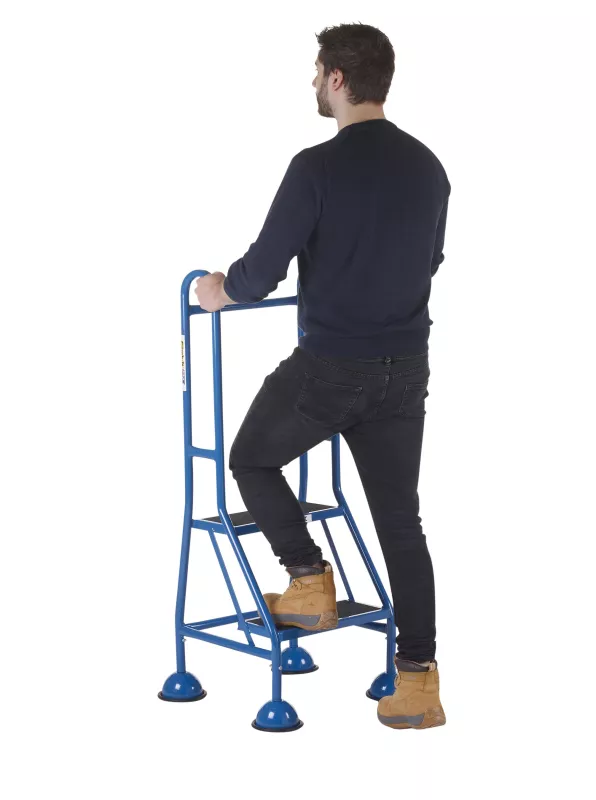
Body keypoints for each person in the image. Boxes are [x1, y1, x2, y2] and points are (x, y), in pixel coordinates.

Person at [194, 22, 450, 730]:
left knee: (250, 456)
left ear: (338, 79)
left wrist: (219, 288)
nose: (313, 82)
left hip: (335, 366)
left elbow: (261, 271)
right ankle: (418, 684)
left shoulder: (316, 166)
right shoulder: (429, 167)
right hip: (406, 369)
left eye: (316, 72)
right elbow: (428, 260)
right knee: (403, 524)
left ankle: (308, 580)